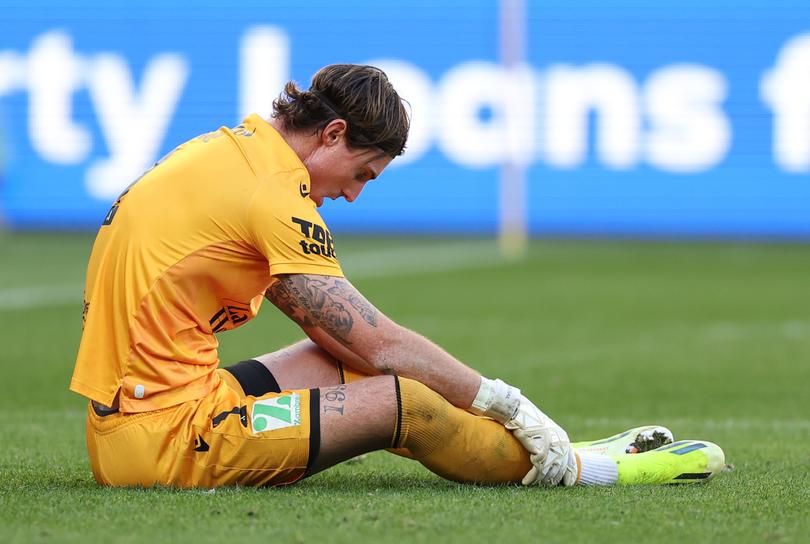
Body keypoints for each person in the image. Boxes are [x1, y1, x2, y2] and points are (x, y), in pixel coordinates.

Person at [70, 64, 724, 488]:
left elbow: (344, 344)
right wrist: (510, 404)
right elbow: (378, 345)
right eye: (361, 174)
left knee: (333, 359)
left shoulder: (226, 152)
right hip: (160, 442)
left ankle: (555, 449)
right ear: (330, 134)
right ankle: (588, 470)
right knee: (401, 400)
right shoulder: (273, 194)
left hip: (161, 406)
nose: (353, 196)